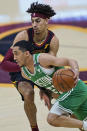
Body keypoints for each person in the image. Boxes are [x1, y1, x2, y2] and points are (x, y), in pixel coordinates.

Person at [0, 2, 59, 131]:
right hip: (20, 70)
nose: (34, 25)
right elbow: (4, 63)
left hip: (39, 71)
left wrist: (45, 89)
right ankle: (34, 128)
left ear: (46, 20)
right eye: (32, 21)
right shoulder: (24, 36)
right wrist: (24, 68)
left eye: (38, 21)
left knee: (61, 93)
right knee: (29, 93)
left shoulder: (53, 40)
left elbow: (50, 65)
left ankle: (80, 120)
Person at [12, 40, 87, 131]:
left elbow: (70, 61)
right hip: (68, 95)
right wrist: (44, 91)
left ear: (27, 53)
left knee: (52, 118)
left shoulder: (42, 59)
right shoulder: (25, 73)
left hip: (75, 89)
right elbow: (44, 83)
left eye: (16, 54)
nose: (14, 58)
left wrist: (75, 70)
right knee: (79, 124)